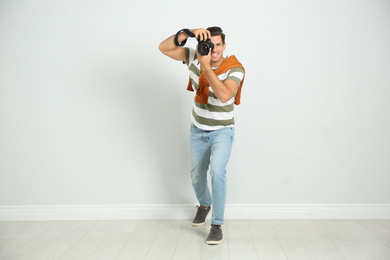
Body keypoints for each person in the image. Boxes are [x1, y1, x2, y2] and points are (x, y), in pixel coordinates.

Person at [158, 26, 245, 245]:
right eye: (208, 44)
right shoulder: (195, 56)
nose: (212, 49)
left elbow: (225, 95)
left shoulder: (235, 69)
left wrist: (206, 66)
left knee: (217, 172)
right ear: (201, 44)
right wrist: (187, 32)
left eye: (217, 45)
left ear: (224, 46)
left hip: (222, 131)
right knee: (196, 176)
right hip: (197, 128)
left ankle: (217, 225)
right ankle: (204, 205)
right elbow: (164, 48)